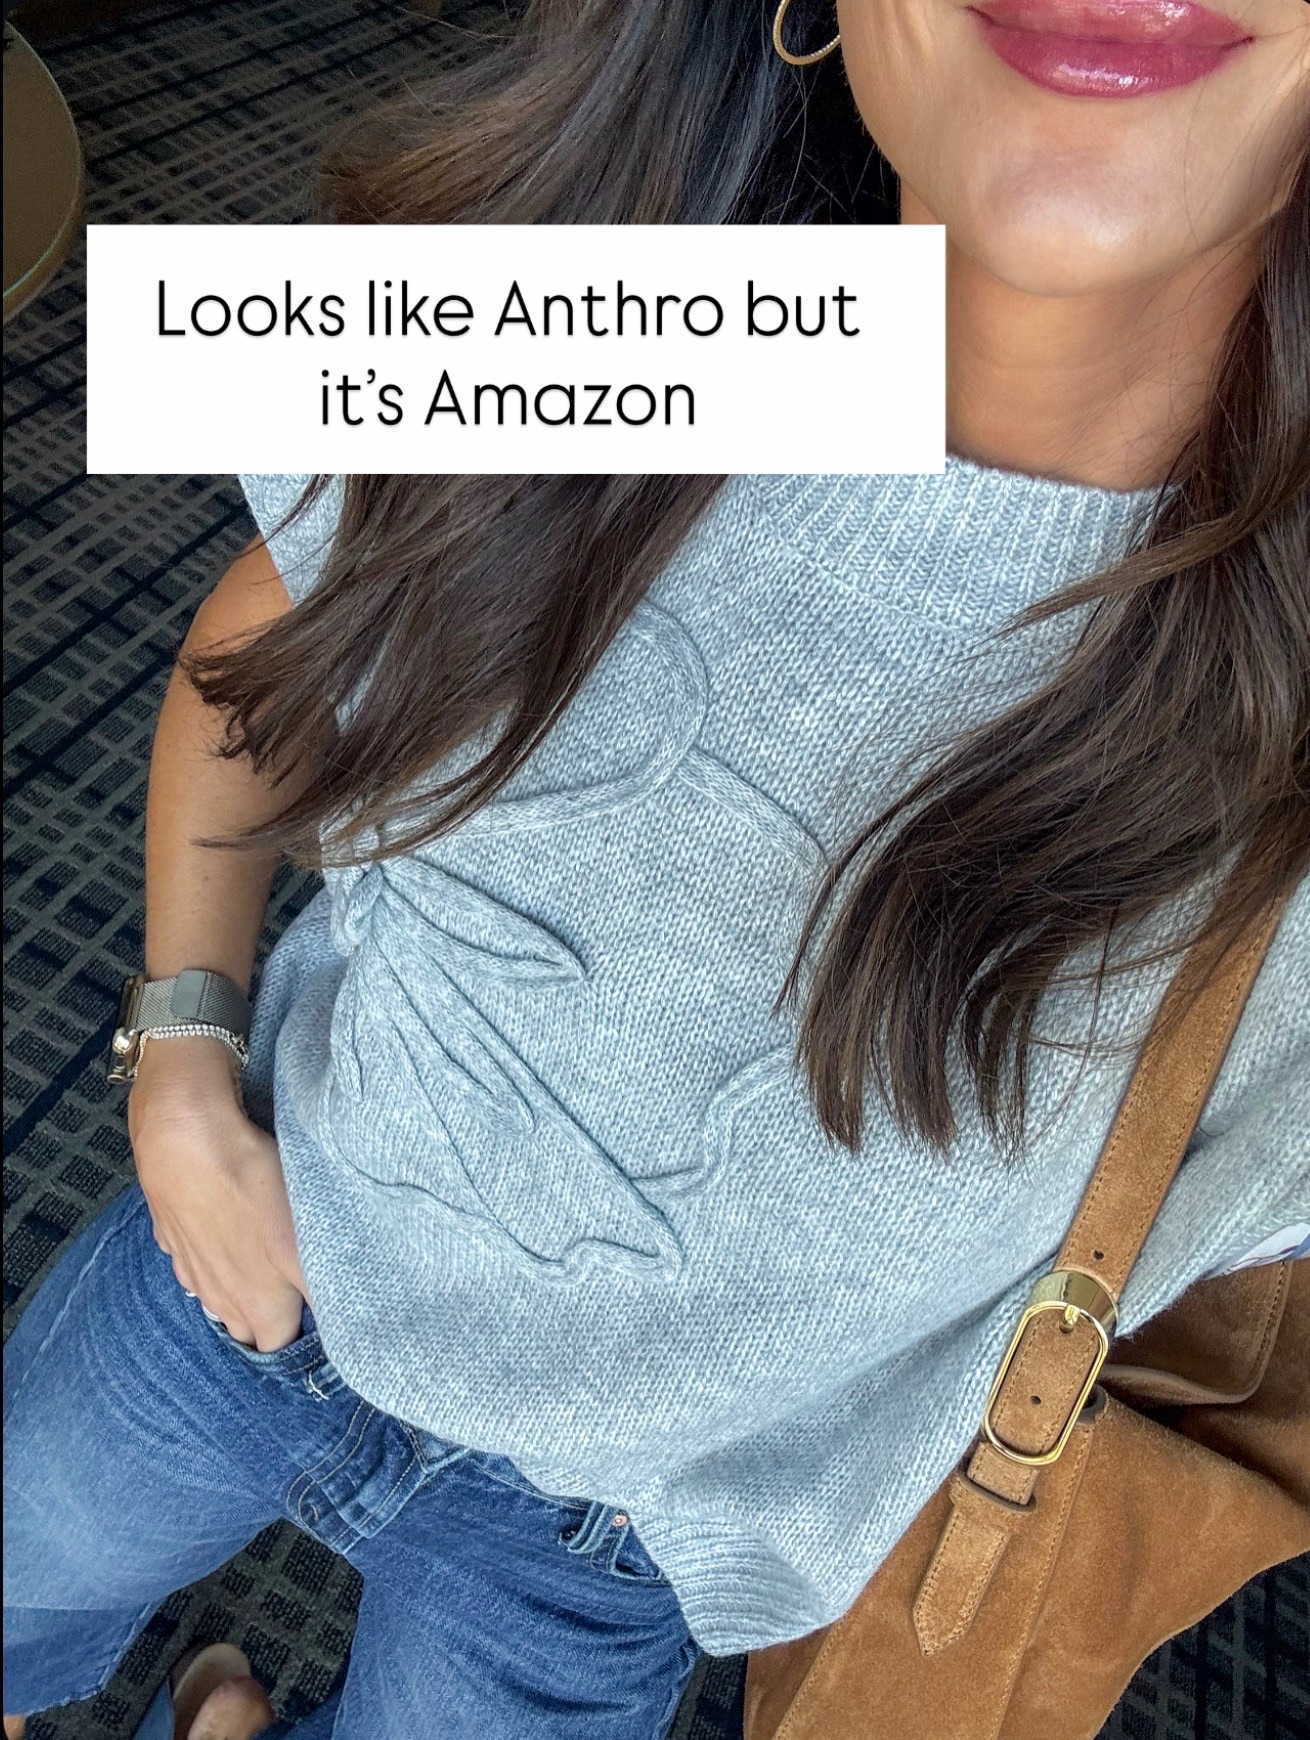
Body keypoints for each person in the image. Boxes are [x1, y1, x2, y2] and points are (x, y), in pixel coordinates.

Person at [5, 3, 1309, 1737]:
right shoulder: (587, 308)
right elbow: (255, 657)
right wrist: (176, 1067)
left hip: (614, 1546)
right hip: (239, 1276)